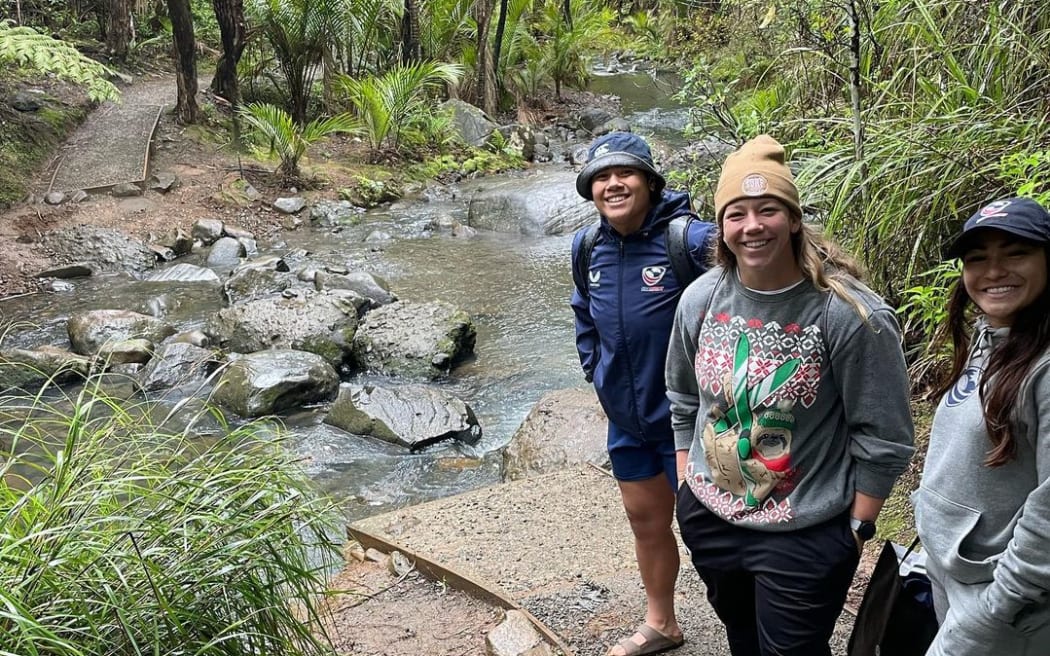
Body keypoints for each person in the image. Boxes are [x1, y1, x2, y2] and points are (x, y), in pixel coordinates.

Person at [664, 135, 915, 656]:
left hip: (804, 529)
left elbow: (885, 435)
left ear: (795, 219)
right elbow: (684, 395)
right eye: (737, 214)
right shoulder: (701, 298)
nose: (752, 226)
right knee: (743, 640)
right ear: (722, 227)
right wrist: (688, 481)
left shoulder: (847, 314)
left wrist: (857, 526)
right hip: (711, 519)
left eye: (768, 210)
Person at [571, 131, 716, 656]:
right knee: (646, 520)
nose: (613, 185)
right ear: (590, 190)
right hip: (628, 420)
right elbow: (583, 311)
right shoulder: (587, 247)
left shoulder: (691, 241)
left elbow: (745, 298)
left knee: (711, 529)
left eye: (624, 174)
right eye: (602, 177)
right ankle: (662, 623)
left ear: (649, 182)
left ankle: (754, 628)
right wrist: (595, 369)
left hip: (694, 422)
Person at [912, 197, 1050, 655]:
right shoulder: (992, 336)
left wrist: (998, 608)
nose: (993, 270)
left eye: (1015, 253)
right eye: (977, 258)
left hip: (1004, 598)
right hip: (954, 570)